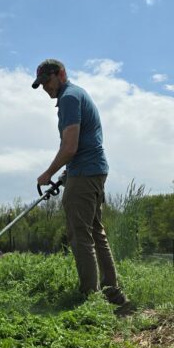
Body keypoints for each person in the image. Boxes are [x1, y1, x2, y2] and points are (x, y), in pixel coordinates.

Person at [32, 58, 128, 306]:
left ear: (61, 74)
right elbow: (81, 144)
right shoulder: (77, 95)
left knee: (80, 234)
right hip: (92, 170)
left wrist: (48, 173)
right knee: (96, 232)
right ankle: (112, 293)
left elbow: (70, 146)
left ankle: (89, 296)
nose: (45, 87)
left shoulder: (69, 98)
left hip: (85, 172)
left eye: (48, 80)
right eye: (41, 84)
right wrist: (66, 175)